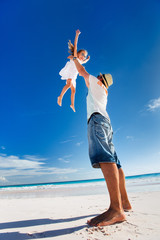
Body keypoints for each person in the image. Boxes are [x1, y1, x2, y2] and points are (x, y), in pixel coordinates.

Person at [68, 54, 132, 227]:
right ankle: (124, 202)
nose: (96, 76)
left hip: (97, 121)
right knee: (115, 162)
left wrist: (75, 58)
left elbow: (81, 71)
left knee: (105, 158)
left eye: (99, 76)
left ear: (101, 79)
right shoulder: (103, 91)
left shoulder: (96, 84)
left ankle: (116, 209)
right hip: (106, 123)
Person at [57, 30, 90, 112]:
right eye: (82, 54)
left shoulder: (81, 61)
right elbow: (75, 46)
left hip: (74, 76)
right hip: (70, 73)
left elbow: (84, 61)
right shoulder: (75, 57)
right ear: (78, 53)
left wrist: (87, 59)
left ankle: (72, 104)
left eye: (84, 56)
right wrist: (77, 35)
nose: (83, 57)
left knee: (73, 90)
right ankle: (60, 96)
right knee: (68, 84)